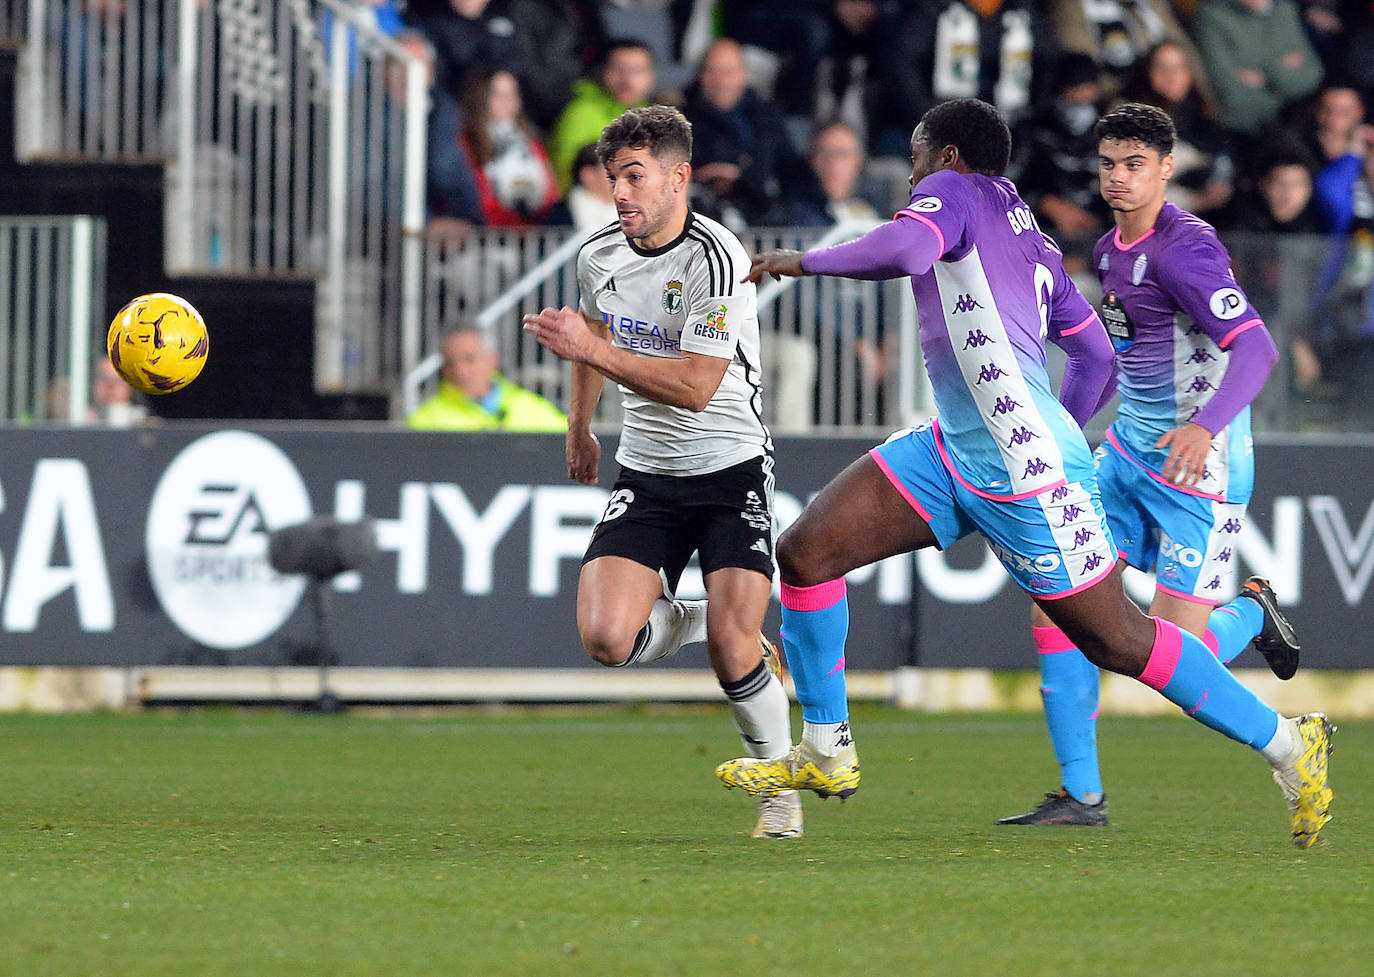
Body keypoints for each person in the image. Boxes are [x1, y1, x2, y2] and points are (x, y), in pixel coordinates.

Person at [714, 98, 1335, 850]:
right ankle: (827, 749)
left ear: (944, 154)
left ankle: (1287, 742)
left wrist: (797, 260)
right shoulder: (1037, 242)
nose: (912, 173)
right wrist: (1063, 428)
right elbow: (1098, 356)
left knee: (1123, 643)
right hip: (952, 450)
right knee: (807, 550)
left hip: (1026, 476)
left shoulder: (952, 192)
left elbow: (907, 253)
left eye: (917, 153)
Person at [998, 103, 1304, 827]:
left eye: (1134, 164)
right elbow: (1113, 356)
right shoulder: (1109, 249)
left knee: (1172, 658)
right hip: (1131, 454)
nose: (1118, 177)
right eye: (1108, 163)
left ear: (1167, 168)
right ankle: (1082, 794)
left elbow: (1258, 349)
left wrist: (1204, 426)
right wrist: (1063, 432)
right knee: (1057, 597)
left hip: (1203, 471)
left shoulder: (1186, 250)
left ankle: (1249, 612)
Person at [522, 105, 799, 839]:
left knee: (736, 654)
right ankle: (708, 617)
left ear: (679, 178)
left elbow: (696, 386)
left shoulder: (717, 259)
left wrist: (590, 349)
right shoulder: (598, 256)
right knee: (608, 639)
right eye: (614, 178)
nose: (620, 193)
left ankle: (780, 793)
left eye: (635, 176)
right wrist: (579, 426)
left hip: (729, 466)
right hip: (646, 470)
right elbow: (598, 335)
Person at [680, 38, 804, 228]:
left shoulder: (768, 117)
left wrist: (744, 178)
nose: (720, 80)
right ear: (701, 75)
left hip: (761, 215)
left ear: (743, 75)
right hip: (697, 215)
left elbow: (787, 168)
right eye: (711, 70)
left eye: (728, 71)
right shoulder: (680, 118)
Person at [407, 319, 567, 431]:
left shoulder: (532, 409)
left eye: (469, 359)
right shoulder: (424, 420)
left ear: (493, 360)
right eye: (450, 362)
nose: (459, 370)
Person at [548, 39, 657, 194]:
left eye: (637, 71)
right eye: (618, 69)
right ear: (602, 71)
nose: (627, 80)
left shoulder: (654, 117)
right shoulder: (580, 113)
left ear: (651, 77)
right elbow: (569, 181)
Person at [456, 68, 561, 226]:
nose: (507, 101)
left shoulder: (532, 143)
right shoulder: (467, 142)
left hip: (535, 232)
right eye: (497, 94)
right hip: (488, 231)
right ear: (481, 98)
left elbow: (551, 192)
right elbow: (470, 195)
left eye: (512, 94)